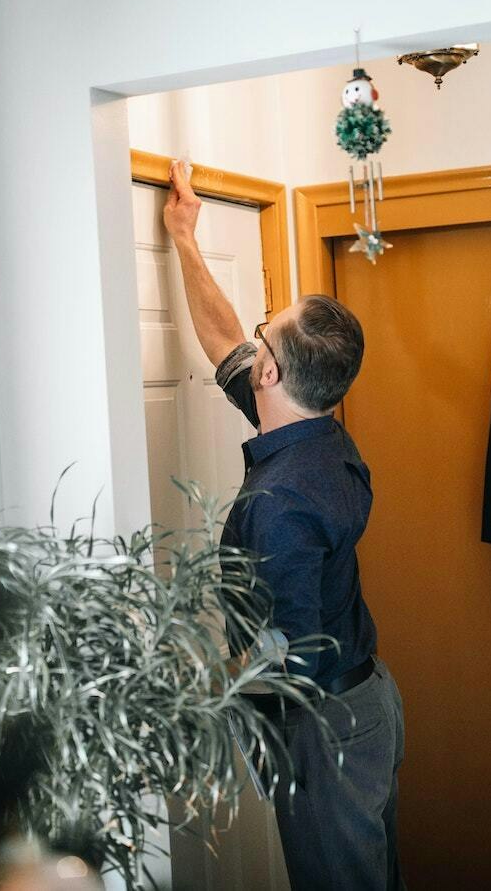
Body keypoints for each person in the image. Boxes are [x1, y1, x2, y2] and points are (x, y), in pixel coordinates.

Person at [161, 158, 405, 891]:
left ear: (272, 377)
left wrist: (180, 696)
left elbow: (287, 658)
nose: (252, 349)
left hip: (327, 726)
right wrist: (184, 237)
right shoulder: (319, 436)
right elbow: (224, 341)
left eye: (264, 343)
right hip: (368, 702)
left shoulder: (281, 501)